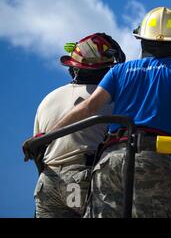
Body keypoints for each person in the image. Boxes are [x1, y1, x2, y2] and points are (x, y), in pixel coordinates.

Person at [50, 7, 171, 218]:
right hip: (150, 158)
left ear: (141, 39)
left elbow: (89, 106)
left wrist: (48, 135)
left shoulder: (119, 70)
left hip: (110, 160)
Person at [31, 33, 125, 218]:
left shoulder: (48, 99)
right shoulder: (109, 101)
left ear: (74, 68)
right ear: (106, 71)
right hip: (78, 181)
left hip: (48, 182)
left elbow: (38, 147)